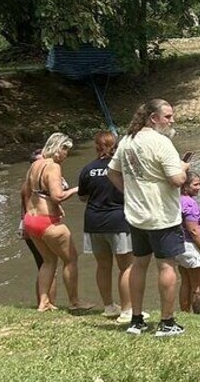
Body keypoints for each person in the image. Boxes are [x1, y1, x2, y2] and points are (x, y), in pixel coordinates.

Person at [107, 98, 189, 337]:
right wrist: (183, 168)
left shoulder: (128, 140)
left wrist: (130, 192)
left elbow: (112, 173)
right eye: (168, 116)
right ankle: (167, 322)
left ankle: (136, 319)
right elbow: (177, 180)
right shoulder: (161, 142)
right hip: (161, 215)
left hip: (136, 215)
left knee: (139, 265)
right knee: (167, 265)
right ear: (153, 118)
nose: (172, 121)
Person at [21, 133, 92, 312]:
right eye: (65, 149)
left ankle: (43, 302)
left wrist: (29, 213)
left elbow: (27, 192)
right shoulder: (53, 167)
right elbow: (57, 196)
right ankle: (75, 302)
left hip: (31, 220)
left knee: (48, 261)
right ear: (57, 148)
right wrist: (78, 189)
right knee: (71, 259)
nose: (66, 154)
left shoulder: (35, 164)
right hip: (48, 223)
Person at [78, 130, 139, 323]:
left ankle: (109, 306)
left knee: (103, 266)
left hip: (93, 222)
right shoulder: (121, 168)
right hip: (118, 221)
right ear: (117, 146)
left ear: (96, 147)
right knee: (126, 267)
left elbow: (82, 197)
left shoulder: (88, 169)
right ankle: (128, 310)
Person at [19, 148, 57, 307]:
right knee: (48, 265)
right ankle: (47, 302)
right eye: (39, 161)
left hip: (30, 226)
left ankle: (44, 301)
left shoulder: (31, 184)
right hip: (34, 227)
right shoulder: (31, 186)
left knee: (44, 265)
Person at [177, 171, 200, 314]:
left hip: (180, 245)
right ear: (185, 186)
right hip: (192, 246)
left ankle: (185, 313)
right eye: (195, 184)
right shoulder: (190, 203)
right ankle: (198, 316)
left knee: (185, 282)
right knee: (197, 286)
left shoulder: (178, 200)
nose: (199, 187)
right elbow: (194, 230)